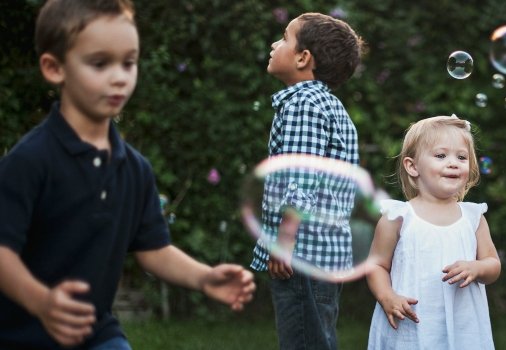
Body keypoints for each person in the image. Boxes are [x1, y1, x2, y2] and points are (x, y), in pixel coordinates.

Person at [0, 1, 256, 349]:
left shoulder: (134, 169)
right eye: (100, 63)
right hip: (21, 336)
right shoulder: (30, 161)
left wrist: (204, 277)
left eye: (129, 62)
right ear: (54, 67)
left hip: (97, 334)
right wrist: (42, 302)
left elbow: (153, 249)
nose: (119, 76)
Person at [248, 12, 365, 350]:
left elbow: (300, 180)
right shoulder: (330, 106)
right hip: (321, 252)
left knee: (303, 341)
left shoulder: (305, 104)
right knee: (317, 337)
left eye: (284, 38)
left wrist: (283, 242)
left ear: (303, 58)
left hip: (302, 253)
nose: (274, 44)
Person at [366, 115, 501, 350]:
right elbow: (376, 265)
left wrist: (477, 268)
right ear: (412, 166)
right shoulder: (398, 216)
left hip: (463, 327)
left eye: (461, 157)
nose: (453, 163)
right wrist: (387, 297)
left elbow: (493, 265)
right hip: (411, 328)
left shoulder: (473, 217)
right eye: (441, 155)